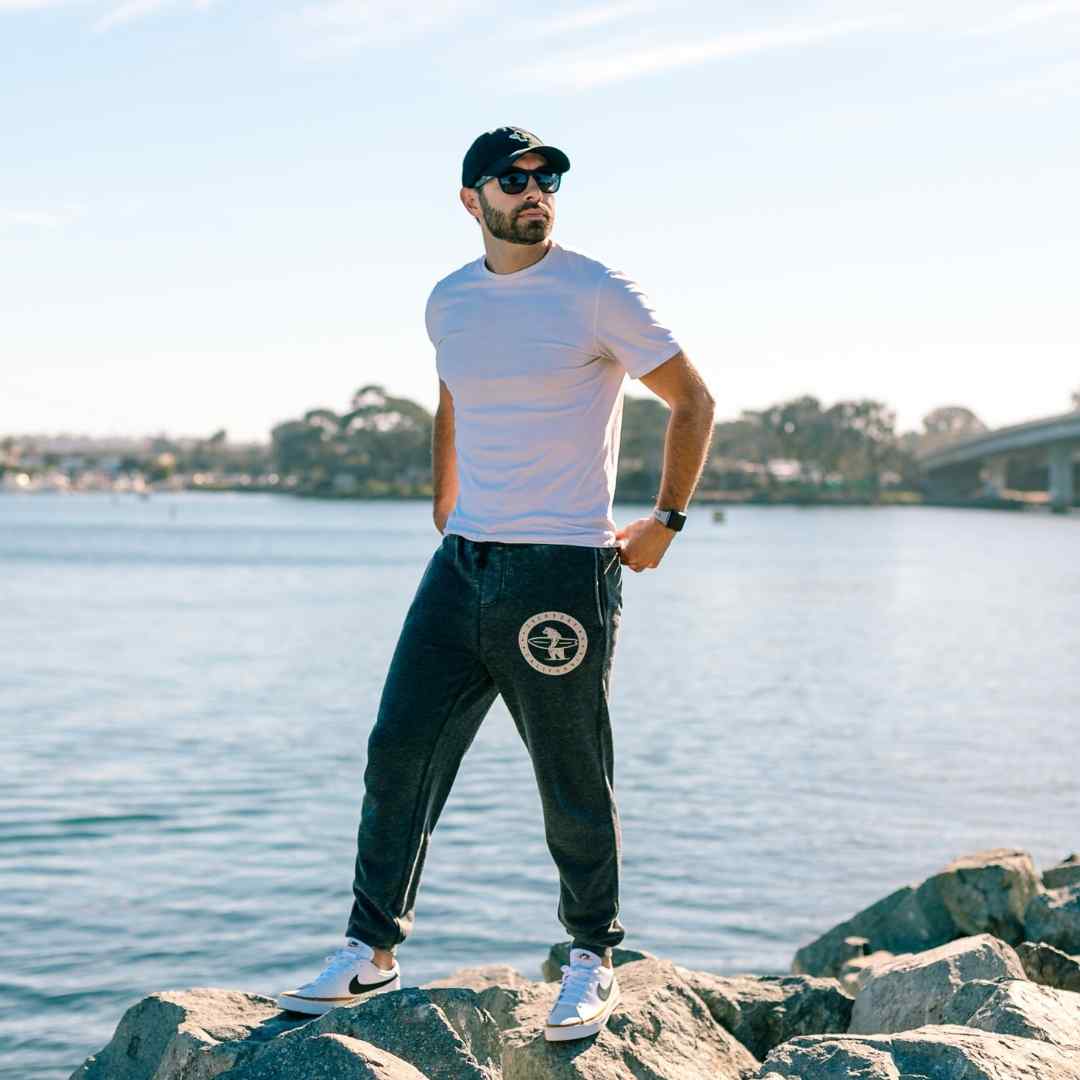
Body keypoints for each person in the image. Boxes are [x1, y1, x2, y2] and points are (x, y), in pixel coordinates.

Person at [277, 126, 716, 1042]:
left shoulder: (596, 290)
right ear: (471, 199)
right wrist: (447, 501)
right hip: (463, 563)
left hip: (561, 567)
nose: (534, 192)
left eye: (547, 178)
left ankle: (594, 957)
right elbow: (452, 395)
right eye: (513, 181)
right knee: (400, 750)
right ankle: (371, 951)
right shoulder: (450, 301)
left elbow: (693, 401)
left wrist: (665, 522)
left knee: (570, 772)